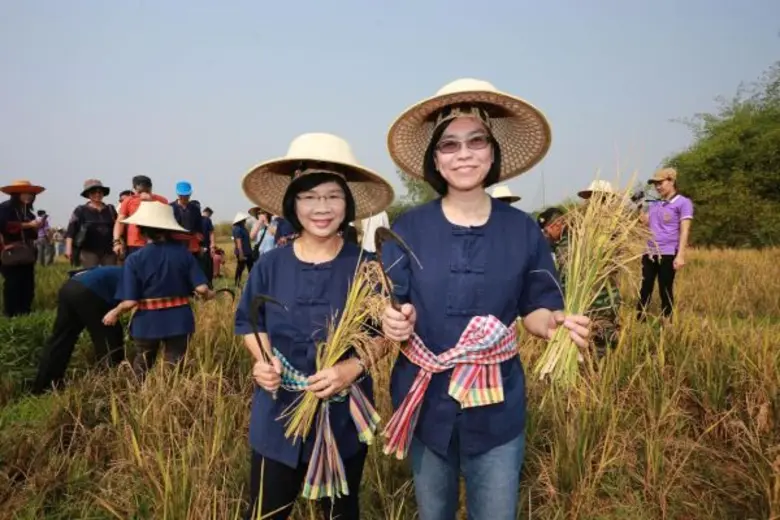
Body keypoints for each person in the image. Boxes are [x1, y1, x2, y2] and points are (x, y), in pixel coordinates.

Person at [379, 79, 591, 520]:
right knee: (432, 512)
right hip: (426, 401)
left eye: (476, 142)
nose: (464, 154)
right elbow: (390, 305)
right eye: (450, 145)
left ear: (492, 153)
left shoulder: (522, 229)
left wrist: (554, 324)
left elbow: (536, 306)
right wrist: (393, 320)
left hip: (496, 408)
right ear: (435, 159)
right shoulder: (409, 228)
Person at [235, 132, 394, 520]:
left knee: (340, 510)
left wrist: (350, 369)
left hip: (343, 416)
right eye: (308, 197)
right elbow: (248, 323)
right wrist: (264, 362)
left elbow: (385, 334)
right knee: (266, 509)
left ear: (348, 203)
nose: (321, 207)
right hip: (278, 414)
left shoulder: (367, 266)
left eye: (332, 196)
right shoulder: (271, 265)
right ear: (293, 203)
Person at [103, 201, 215, 378]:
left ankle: (138, 400)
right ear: (169, 229)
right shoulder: (183, 253)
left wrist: (115, 312)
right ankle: (171, 401)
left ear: (140, 230)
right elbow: (201, 288)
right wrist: (210, 294)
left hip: (147, 322)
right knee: (174, 368)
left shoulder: (134, 259)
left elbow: (130, 301)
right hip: (179, 320)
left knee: (142, 365)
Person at [31, 266, 125, 394]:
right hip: (91, 293)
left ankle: (43, 387)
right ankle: (110, 388)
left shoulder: (121, 269)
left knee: (60, 340)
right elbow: (132, 302)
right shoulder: (141, 277)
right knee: (109, 340)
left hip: (71, 286)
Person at [637, 167, 694, 322]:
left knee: (665, 289)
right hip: (649, 252)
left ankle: (667, 321)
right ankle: (640, 320)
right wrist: (638, 206)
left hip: (668, 253)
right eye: (655, 184)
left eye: (660, 183)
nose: (657, 187)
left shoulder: (683, 203)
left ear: (671, 181)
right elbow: (646, 223)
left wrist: (680, 255)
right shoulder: (656, 204)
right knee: (645, 287)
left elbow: (685, 230)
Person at [0, 180, 44, 317]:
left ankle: (25, 312)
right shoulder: (5, 208)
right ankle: (11, 314)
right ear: (16, 194)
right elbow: (5, 226)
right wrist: (27, 225)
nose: (28, 196)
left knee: (27, 284)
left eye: (31, 193)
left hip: (26, 253)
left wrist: (36, 227)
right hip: (10, 252)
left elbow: (32, 234)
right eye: (25, 193)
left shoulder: (28, 212)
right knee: (13, 284)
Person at [113, 175, 169, 260]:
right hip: (135, 243)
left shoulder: (162, 200)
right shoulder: (128, 201)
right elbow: (120, 222)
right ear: (134, 189)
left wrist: (150, 202)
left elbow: (167, 222)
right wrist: (117, 242)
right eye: (140, 191)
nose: (144, 194)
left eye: (147, 190)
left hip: (157, 242)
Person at [66, 179, 118, 268]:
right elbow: (71, 230)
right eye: (93, 192)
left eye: (100, 192)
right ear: (88, 194)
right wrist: (68, 248)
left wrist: (119, 244)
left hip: (109, 251)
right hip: (88, 251)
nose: (97, 194)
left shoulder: (110, 209)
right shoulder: (80, 210)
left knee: (110, 276)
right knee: (90, 277)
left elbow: (118, 227)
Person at [169, 181, 205, 259]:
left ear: (190, 194)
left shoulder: (195, 209)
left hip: (192, 246)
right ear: (178, 194)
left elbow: (199, 228)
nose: (184, 197)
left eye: (187, 195)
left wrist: (202, 245)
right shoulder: (169, 208)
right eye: (182, 195)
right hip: (174, 245)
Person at [231, 212, 254, 286]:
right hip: (243, 252)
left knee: (251, 268)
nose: (245, 221)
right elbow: (238, 242)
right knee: (240, 268)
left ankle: (252, 283)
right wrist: (241, 254)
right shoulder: (237, 229)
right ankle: (237, 283)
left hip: (248, 252)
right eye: (244, 220)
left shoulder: (243, 228)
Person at [200, 206, 216, 285]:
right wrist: (212, 246)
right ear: (209, 213)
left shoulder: (193, 220)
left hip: (196, 249)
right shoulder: (207, 220)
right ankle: (208, 285)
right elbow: (211, 233)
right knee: (208, 268)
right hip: (206, 248)